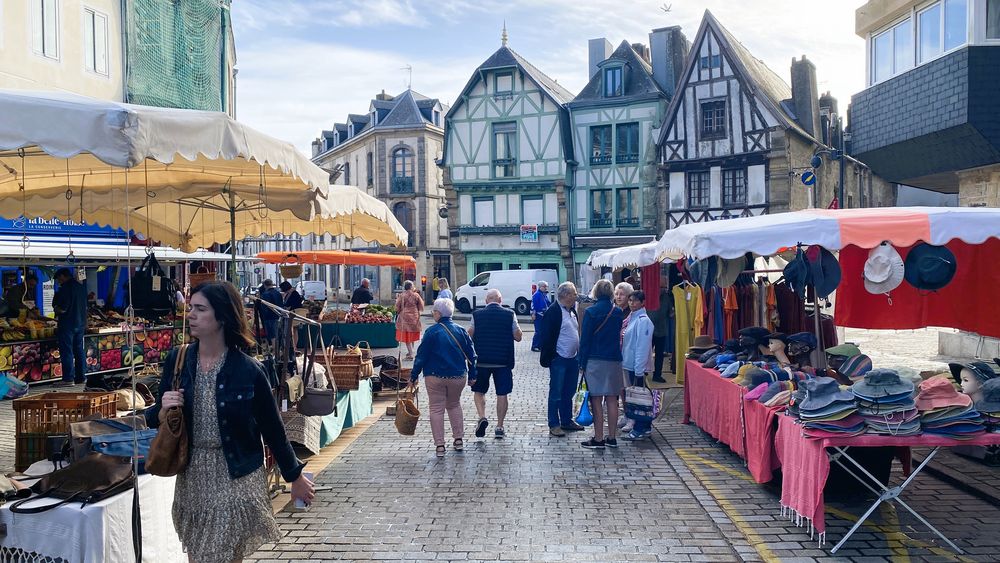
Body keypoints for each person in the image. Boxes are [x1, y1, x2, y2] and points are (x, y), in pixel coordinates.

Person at [146, 281, 314, 562]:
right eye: (191, 309)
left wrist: (294, 476)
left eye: (200, 309)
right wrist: (161, 412)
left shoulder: (249, 370)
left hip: (236, 476)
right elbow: (157, 415)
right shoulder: (179, 360)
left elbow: (272, 429)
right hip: (193, 476)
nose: (191, 315)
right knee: (201, 556)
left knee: (218, 555)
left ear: (222, 316)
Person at [408, 298, 477, 458]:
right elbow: (472, 355)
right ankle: (458, 439)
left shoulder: (431, 332)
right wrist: (473, 374)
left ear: (438, 313)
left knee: (436, 409)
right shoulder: (461, 331)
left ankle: (440, 446)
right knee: (454, 405)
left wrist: (414, 375)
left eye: (434, 312)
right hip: (458, 375)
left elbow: (421, 356)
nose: (433, 314)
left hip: (434, 376)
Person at [578, 279, 625, 449]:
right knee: (612, 399)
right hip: (614, 359)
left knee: (596, 400)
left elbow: (585, 340)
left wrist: (581, 362)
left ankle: (598, 438)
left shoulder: (591, 312)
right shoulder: (618, 312)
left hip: (595, 360)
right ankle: (611, 437)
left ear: (596, 293)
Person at [468, 289, 522, 439]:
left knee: (479, 391)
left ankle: (482, 417)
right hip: (502, 362)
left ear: (486, 301)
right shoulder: (510, 314)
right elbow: (518, 337)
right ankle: (499, 426)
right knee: (502, 393)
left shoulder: (476, 315)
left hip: (482, 361)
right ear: (500, 300)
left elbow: (469, 335)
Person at [537, 281, 585, 437]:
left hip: (572, 358)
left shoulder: (571, 311)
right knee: (556, 392)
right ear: (566, 295)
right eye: (574, 293)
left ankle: (566, 420)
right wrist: (552, 356)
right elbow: (546, 336)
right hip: (559, 358)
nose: (576, 296)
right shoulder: (553, 312)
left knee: (569, 391)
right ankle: (554, 423)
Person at [621, 290, 655, 441]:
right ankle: (644, 427)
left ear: (642, 303)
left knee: (640, 398)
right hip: (629, 364)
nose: (632, 303)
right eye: (630, 300)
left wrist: (639, 369)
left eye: (635, 301)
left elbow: (642, 346)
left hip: (636, 367)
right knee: (637, 397)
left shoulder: (643, 320)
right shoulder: (632, 318)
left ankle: (640, 427)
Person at [52, 269, 88, 387]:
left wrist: (56, 308)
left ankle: (68, 379)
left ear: (62, 276)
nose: (58, 282)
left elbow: (62, 308)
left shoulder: (65, 288)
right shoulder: (81, 287)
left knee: (67, 351)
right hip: (80, 324)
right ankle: (81, 377)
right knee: (79, 350)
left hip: (67, 324)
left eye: (58, 279)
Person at [395, 280, 425, 360]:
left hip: (404, 316)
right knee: (412, 334)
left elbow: (397, 307)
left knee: (407, 335)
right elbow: (421, 306)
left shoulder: (402, 295)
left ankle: (411, 354)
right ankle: (411, 351)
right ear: (411, 286)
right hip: (414, 316)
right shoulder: (416, 295)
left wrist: (398, 312)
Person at [257, 279, 283, 346]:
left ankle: (274, 351)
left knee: (271, 335)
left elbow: (264, 308)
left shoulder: (265, 294)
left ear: (265, 285)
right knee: (277, 334)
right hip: (278, 316)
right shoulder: (278, 293)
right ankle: (278, 350)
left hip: (269, 317)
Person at [530, 281, 551, 352]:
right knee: (538, 331)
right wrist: (533, 314)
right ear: (540, 287)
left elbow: (548, 303)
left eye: (546, 286)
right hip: (538, 315)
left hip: (544, 315)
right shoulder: (536, 295)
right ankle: (535, 346)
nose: (546, 288)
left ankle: (540, 345)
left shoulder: (544, 294)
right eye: (544, 286)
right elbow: (533, 305)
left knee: (543, 331)